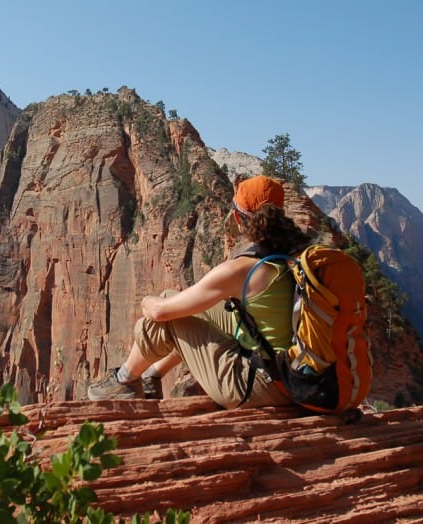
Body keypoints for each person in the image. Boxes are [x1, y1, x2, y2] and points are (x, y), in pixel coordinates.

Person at [88, 175, 318, 408]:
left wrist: (146, 300)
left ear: (238, 218)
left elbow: (159, 313)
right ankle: (150, 376)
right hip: (297, 378)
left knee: (160, 317)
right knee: (178, 302)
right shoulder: (294, 256)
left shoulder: (240, 270)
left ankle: (124, 381)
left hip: (261, 387)